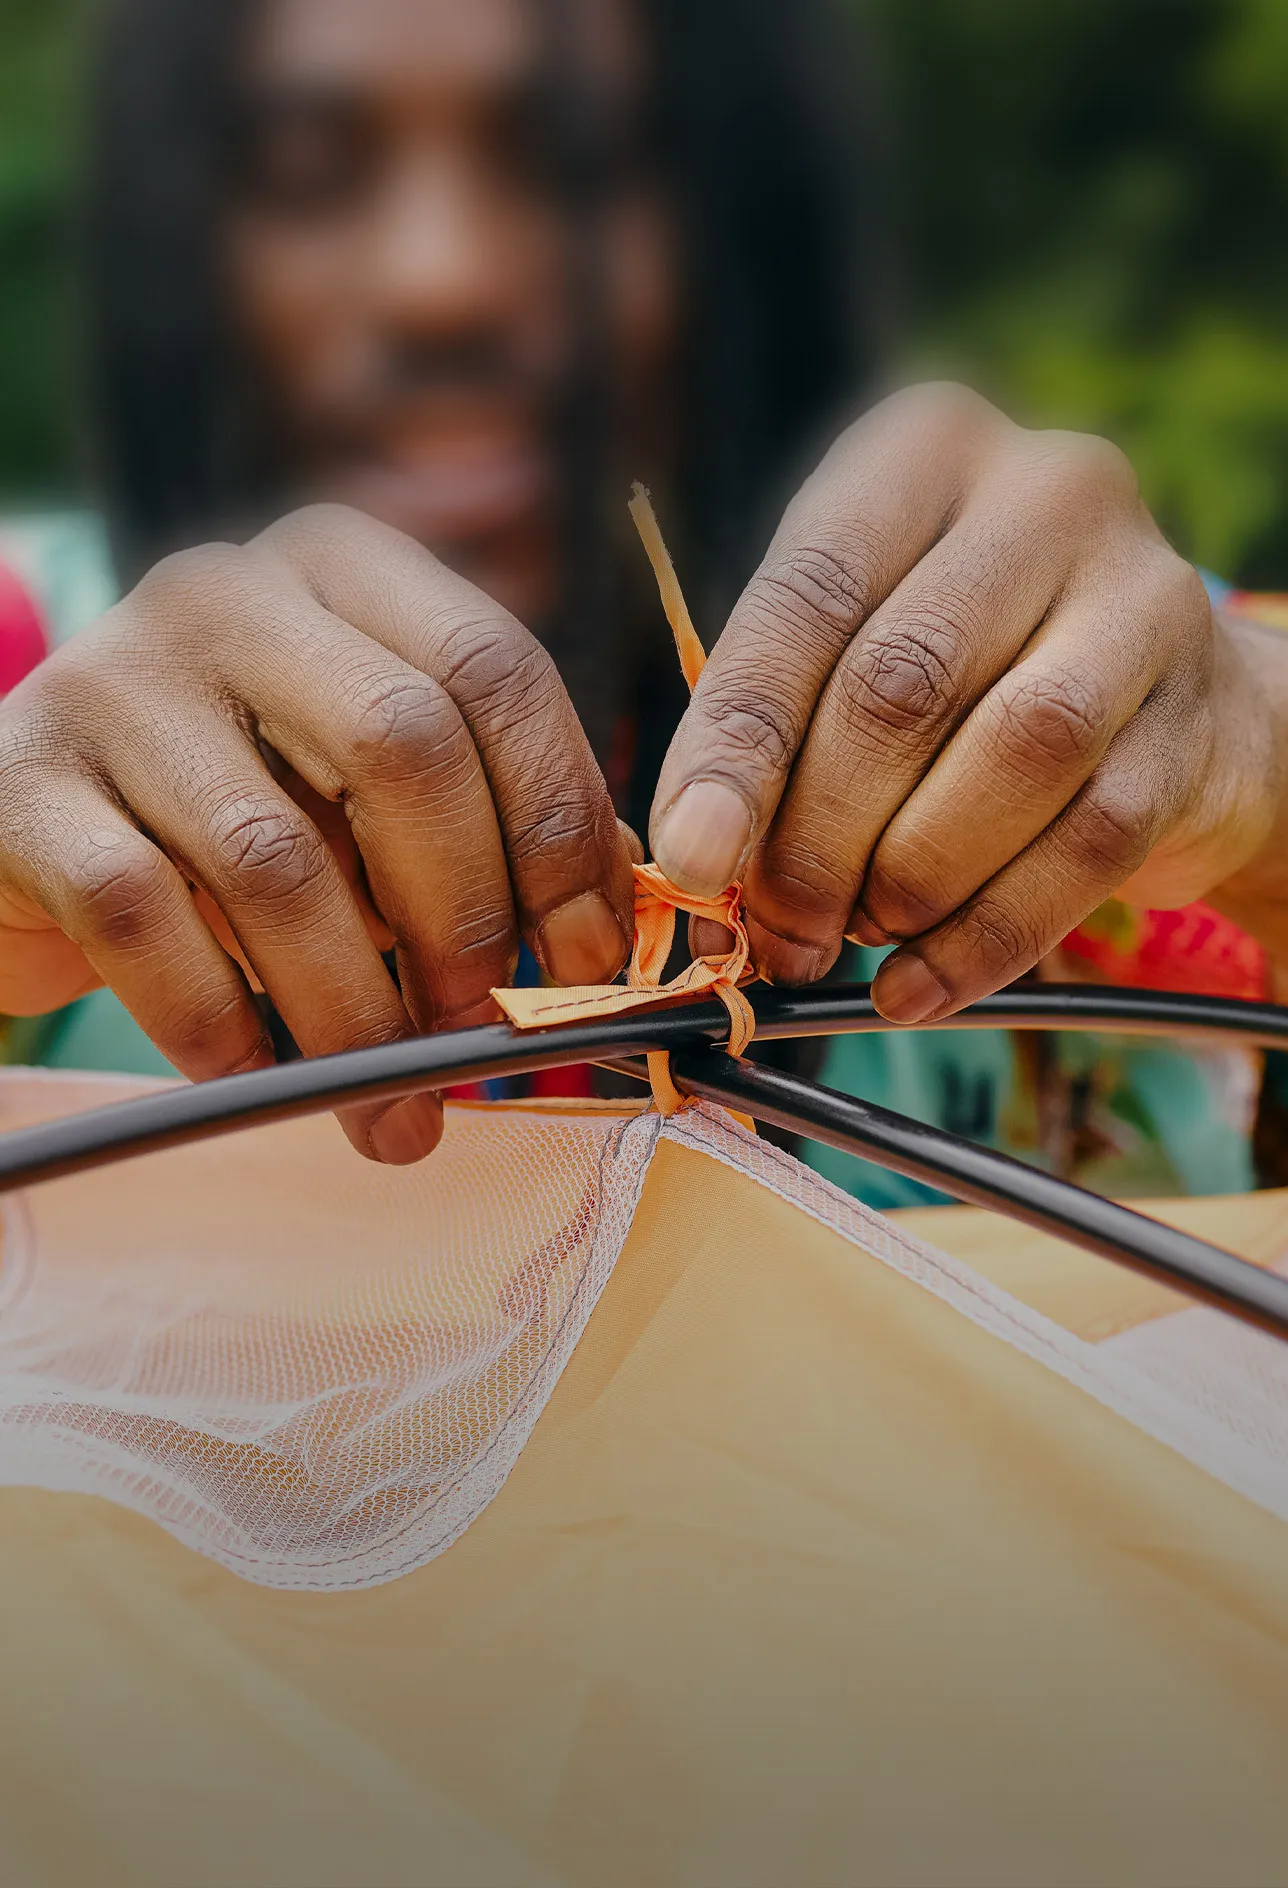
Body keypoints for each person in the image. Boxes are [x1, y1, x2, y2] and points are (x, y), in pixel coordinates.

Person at [1, 0, 1287, 1201]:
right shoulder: (28, 665)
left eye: (569, 161)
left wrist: (1262, 773)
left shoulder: (1082, 686)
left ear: (742, 218)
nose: (436, 283)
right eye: (305, 172)